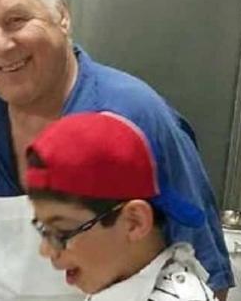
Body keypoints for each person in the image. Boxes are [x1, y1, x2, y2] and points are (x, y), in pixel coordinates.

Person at [0, 0, 232, 301]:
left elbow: (208, 273)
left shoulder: (135, 116)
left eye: (16, 20)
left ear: (61, 16)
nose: (1, 45)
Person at [24, 111, 217, 301]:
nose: (46, 250)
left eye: (62, 231)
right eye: (43, 229)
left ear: (134, 222)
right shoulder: (117, 282)